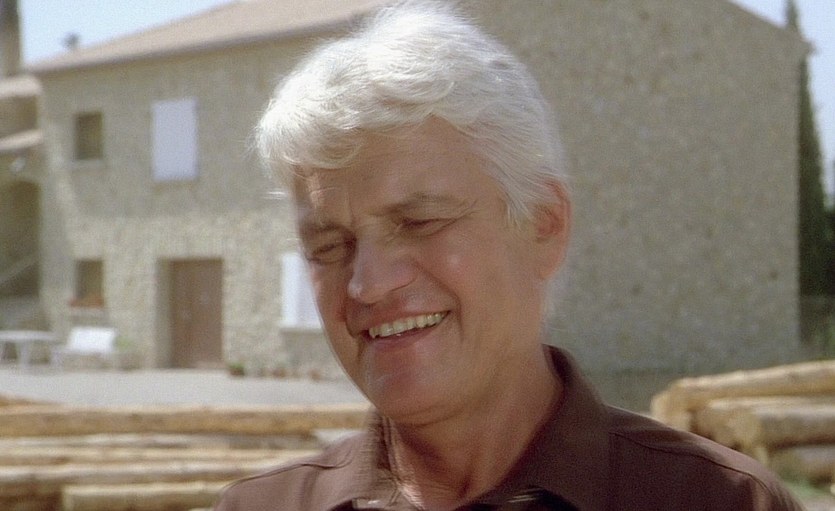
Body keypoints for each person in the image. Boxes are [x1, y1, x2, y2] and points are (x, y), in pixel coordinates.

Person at [215, 1, 803, 509]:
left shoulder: (718, 500)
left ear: (544, 226)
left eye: (419, 222)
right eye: (329, 246)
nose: (367, 284)